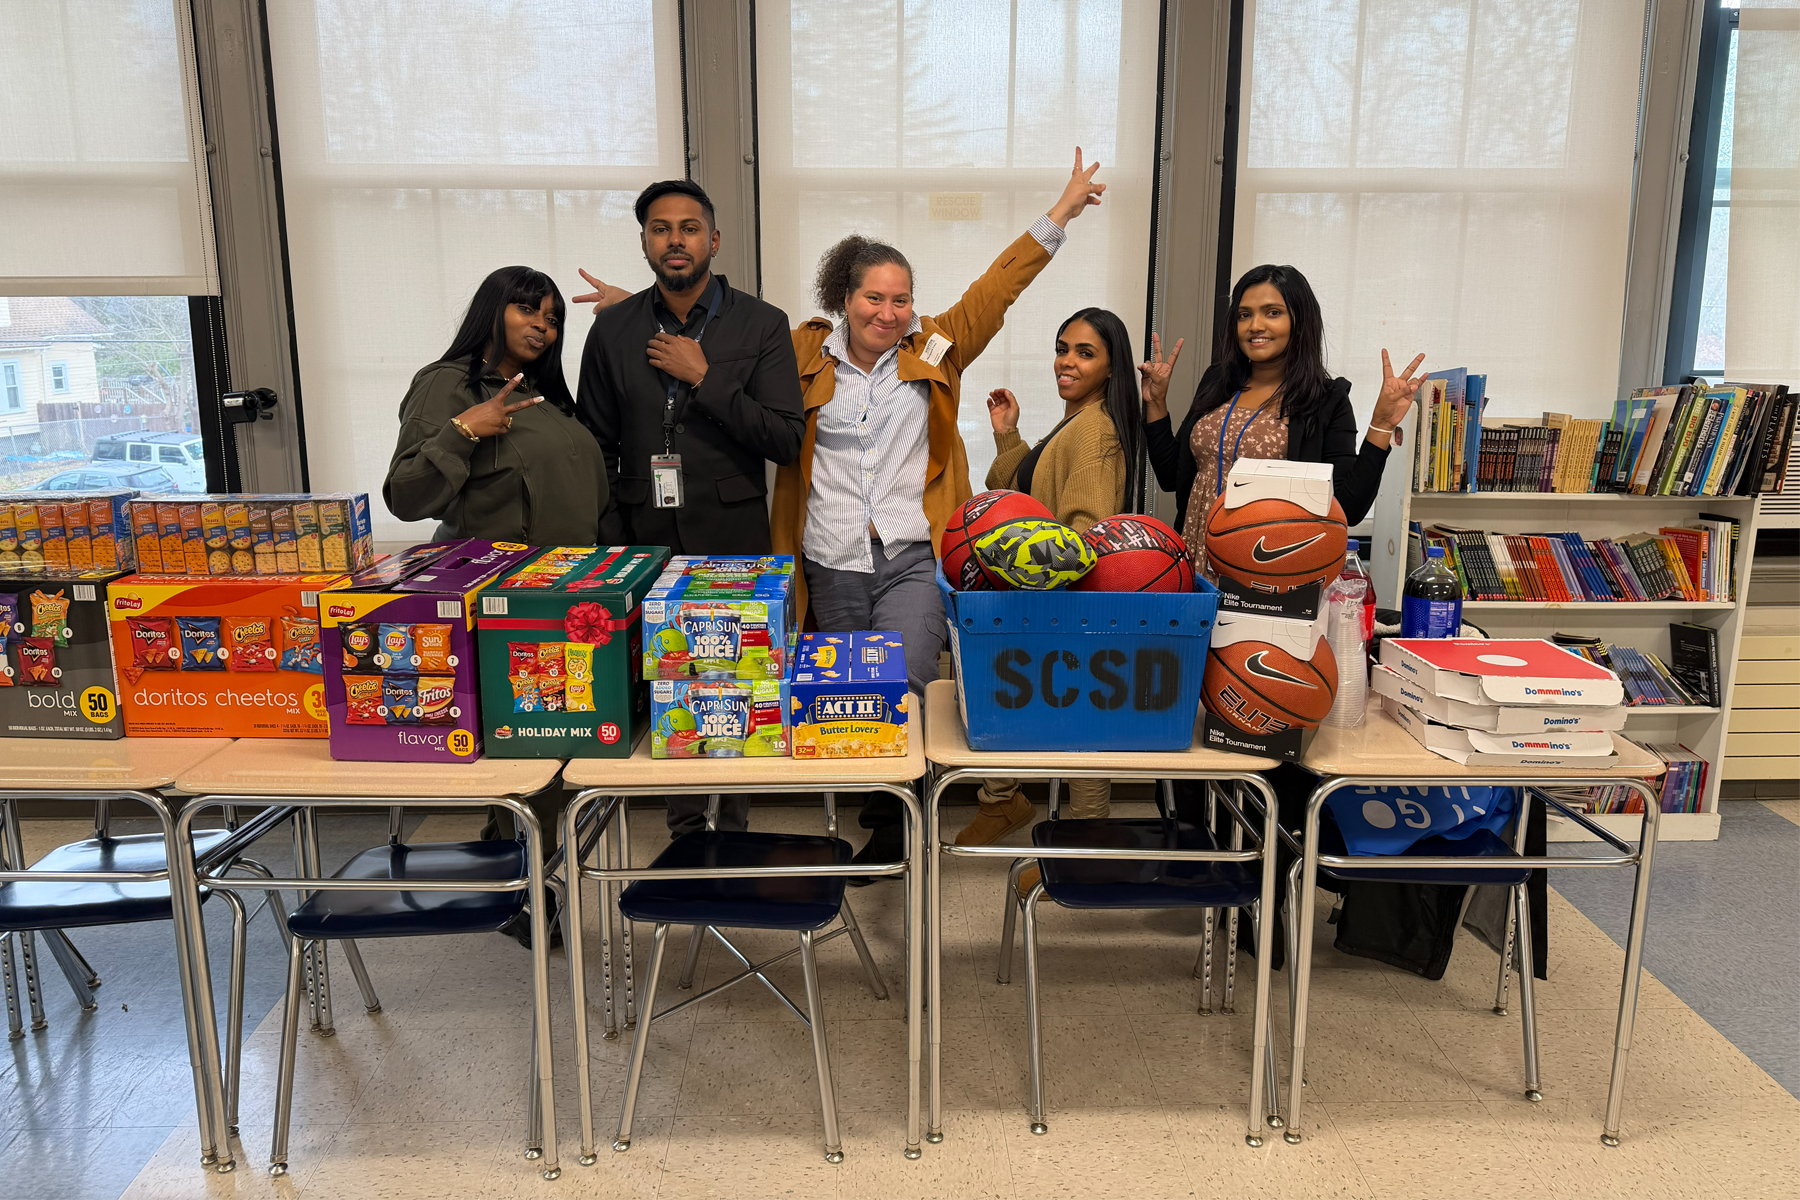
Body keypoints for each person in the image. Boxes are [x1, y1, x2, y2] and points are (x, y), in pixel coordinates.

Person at [768, 149, 1108, 874]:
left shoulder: (936, 350)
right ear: (845, 297)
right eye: (873, 299)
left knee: (904, 686)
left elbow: (998, 287)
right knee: (849, 697)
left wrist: (1062, 211)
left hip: (912, 558)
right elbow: (734, 355)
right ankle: (876, 817)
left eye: (901, 300)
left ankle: (899, 830)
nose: (889, 314)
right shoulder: (803, 352)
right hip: (829, 558)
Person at [575, 179, 805, 837]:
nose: (675, 239)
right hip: (642, 537)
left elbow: (785, 439)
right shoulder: (615, 329)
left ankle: (733, 827)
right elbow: (596, 441)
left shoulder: (762, 324)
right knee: (667, 682)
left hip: (732, 538)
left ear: (713, 239)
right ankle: (681, 830)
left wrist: (706, 378)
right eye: (660, 228)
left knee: (733, 680)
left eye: (689, 227)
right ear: (646, 240)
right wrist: (614, 532)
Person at [961, 307, 1148, 847]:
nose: (1067, 361)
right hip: (1043, 599)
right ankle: (1004, 803)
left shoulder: (1096, 435)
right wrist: (1008, 435)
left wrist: (1033, 572)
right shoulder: (1074, 423)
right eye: (1063, 347)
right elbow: (1018, 495)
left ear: (1112, 368)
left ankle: (1086, 846)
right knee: (1024, 705)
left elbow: (1084, 535)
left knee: (1082, 729)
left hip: (1069, 605)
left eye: (1085, 352)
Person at [1143, 263, 1425, 571]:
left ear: (1299, 321)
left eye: (1273, 312)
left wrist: (1381, 425)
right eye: (1244, 314)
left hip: (1268, 564)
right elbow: (1172, 477)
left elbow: (1349, 508)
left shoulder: (1326, 399)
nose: (1255, 325)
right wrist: (1156, 403)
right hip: (1194, 558)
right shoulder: (1217, 382)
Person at [385, 265, 604, 545]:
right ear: (491, 311)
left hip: (562, 574)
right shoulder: (447, 382)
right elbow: (404, 499)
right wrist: (462, 431)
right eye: (526, 309)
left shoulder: (546, 396)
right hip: (492, 577)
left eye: (551, 319)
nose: (542, 325)